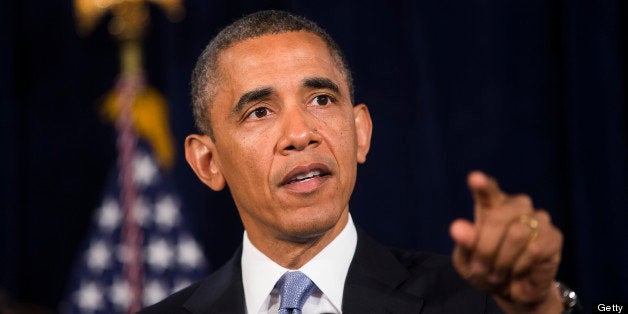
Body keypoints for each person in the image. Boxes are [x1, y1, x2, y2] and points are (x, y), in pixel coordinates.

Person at [140, 10, 580, 314]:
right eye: (260, 111)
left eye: (321, 99)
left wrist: (543, 306)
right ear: (207, 162)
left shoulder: (477, 300)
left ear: (361, 133)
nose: (300, 134)